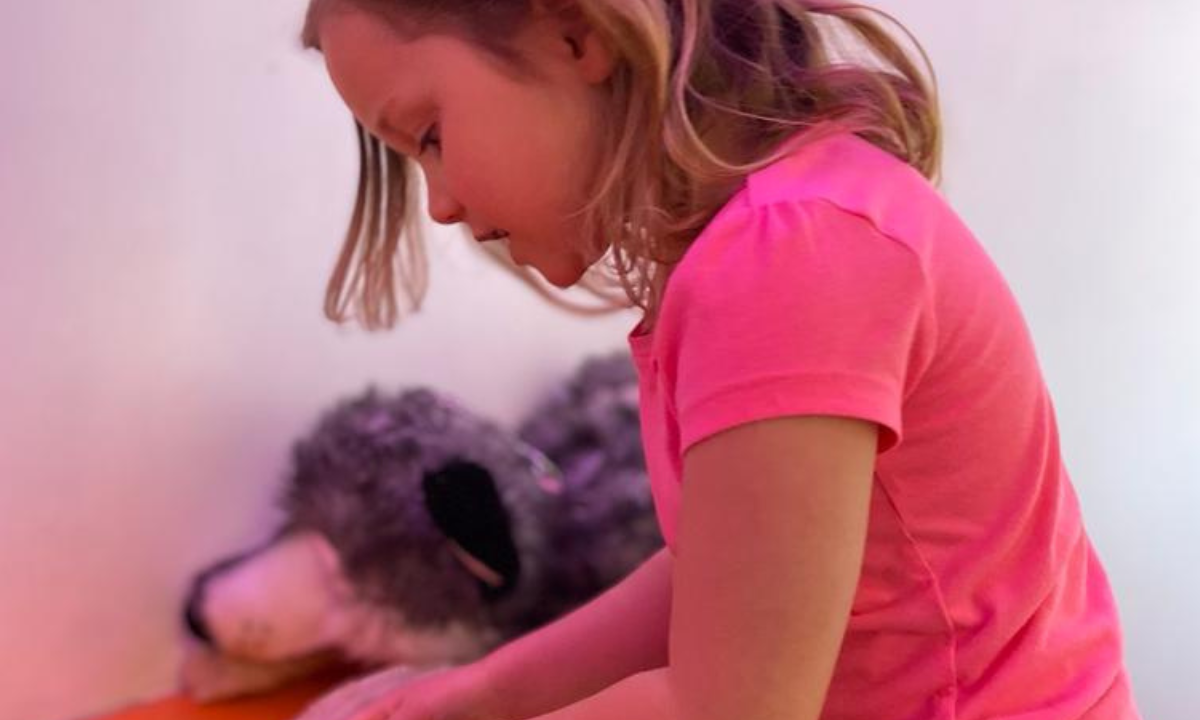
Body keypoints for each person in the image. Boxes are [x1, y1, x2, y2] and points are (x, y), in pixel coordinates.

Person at [297, 1, 1140, 718]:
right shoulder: (766, 236)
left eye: (430, 136)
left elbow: (730, 706)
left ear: (576, 34)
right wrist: (463, 697)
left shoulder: (788, 254)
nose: (438, 204)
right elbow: (718, 580)